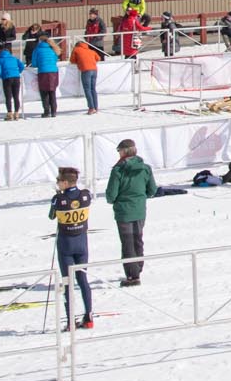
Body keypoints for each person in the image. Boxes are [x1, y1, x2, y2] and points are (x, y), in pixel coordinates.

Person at [48, 167, 95, 331]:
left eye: (59, 181)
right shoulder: (85, 195)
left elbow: (51, 215)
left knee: (68, 282)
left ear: (65, 182)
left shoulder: (58, 198)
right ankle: (89, 316)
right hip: (82, 243)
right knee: (83, 280)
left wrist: (59, 196)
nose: (57, 184)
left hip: (66, 245)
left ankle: (70, 321)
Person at [105, 139, 157, 287]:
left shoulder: (118, 170)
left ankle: (132, 276)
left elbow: (111, 195)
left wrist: (116, 199)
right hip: (140, 210)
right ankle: (138, 269)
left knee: (127, 243)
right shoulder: (145, 168)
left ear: (124, 151)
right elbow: (152, 190)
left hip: (124, 212)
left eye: (119, 151)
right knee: (138, 239)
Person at [69, 34, 103, 114]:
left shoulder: (76, 49)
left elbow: (72, 60)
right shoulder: (90, 50)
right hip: (94, 69)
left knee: (87, 89)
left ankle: (91, 108)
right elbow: (98, 58)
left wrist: (79, 62)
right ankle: (96, 107)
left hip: (85, 70)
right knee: (93, 89)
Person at [31, 32, 61, 116]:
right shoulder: (52, 48)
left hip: (43, 72)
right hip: (53, 72)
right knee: (52, 92)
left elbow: (34, 63)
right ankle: (54, 111)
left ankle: (46, 111)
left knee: (44, 92)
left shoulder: (37, 49)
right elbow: (55, 59)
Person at [0, 42, 26, 118]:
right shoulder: (14, 58)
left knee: (8, 97)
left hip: (7, 78)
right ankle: (16, 113)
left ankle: (9, 113)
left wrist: (2, 76)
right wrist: (17, 72)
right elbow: (22, 66)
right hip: (16, 77)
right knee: (16, 96)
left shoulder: (0, 60)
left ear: (0, 53)